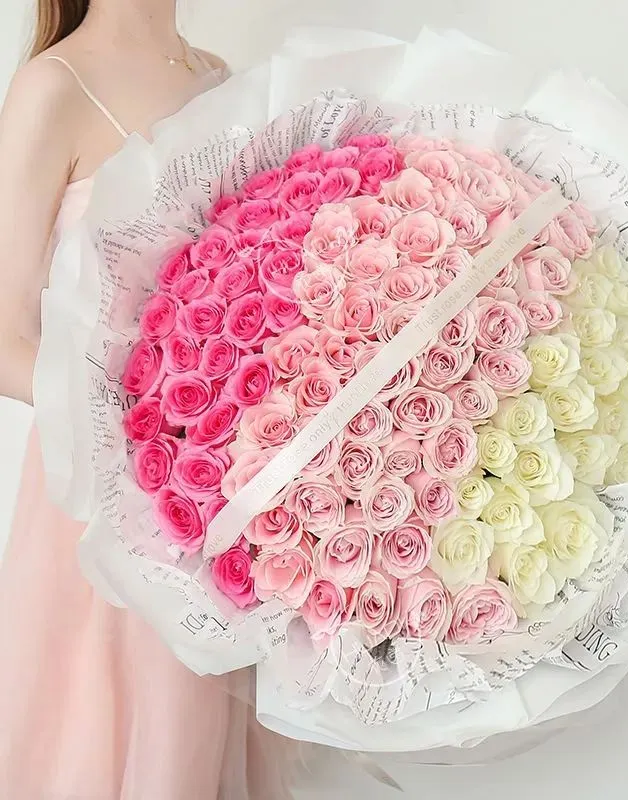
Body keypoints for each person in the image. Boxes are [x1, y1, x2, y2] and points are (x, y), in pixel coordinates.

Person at [0, 2, 298, 798]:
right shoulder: (53, 86)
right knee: (98, 740)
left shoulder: (220, 80)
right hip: (101, 489)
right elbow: (2, 336)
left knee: (188, 738)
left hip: (220, 492)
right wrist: (139, 423)